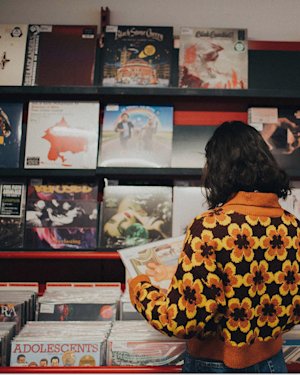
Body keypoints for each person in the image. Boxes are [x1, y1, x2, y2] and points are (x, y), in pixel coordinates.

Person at [128, 121, 300, 373]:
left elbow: (180, 320)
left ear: (218, 169)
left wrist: (139, 287)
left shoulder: (209, 228)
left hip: (214, 365)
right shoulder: (293, 226)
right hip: (273, 363)